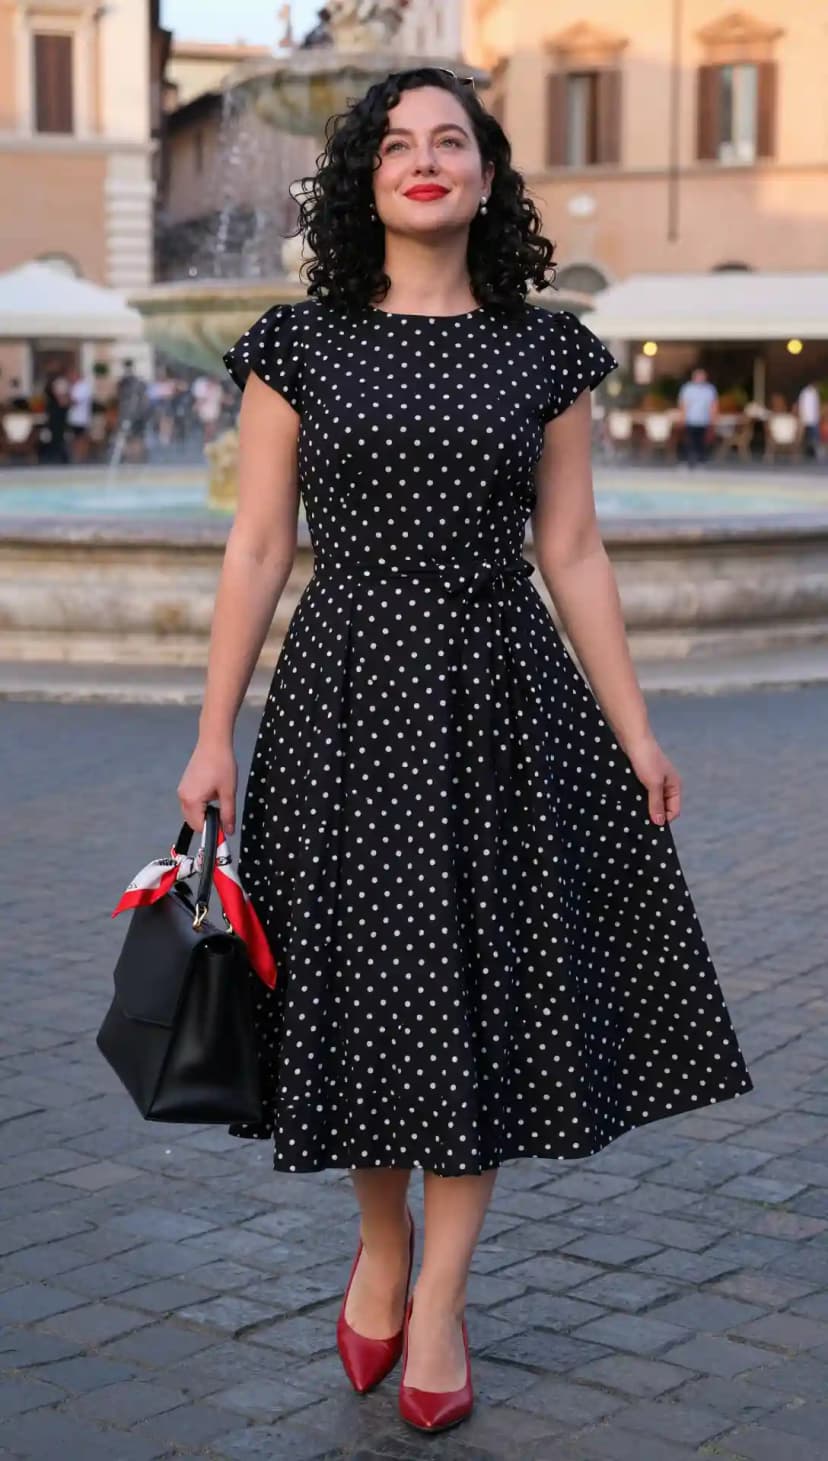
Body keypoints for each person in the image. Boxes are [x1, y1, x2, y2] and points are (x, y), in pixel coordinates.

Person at [176, 67, 753, 1435]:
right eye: (397, 144)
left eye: (452, 141)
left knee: (489, 994)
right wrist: (210, 736)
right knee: (361, 984)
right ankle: (381, 1247)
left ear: (489, 178)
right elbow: (257, 547)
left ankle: (439, 1299)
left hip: (503, 699)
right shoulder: (296, 345)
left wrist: (638, 728)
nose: (424, 161)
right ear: (363, 181)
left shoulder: (545, 351)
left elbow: (576, 550)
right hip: (342, 697)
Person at [678, 366, 719, 467]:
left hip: (704, 419)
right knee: (689, 441)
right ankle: (688, 460)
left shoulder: (710, 389)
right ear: (694, 377)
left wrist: (713, 418)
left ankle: (701, 460)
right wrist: (682, 417)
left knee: (702, 441)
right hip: (690, 419)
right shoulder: (688, 388)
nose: (700, 378)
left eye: (702, 376)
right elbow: (683, 404)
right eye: (698, 376)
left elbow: (713, 404)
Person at [67, 366, 93, 462]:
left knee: (80, 438)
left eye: (72, 375)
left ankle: (80, 457)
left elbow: (74, 401)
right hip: (73, 418)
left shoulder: (83, 387)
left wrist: (64, 398)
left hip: (80, 418)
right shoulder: (73, 386)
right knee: (75, 438)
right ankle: (77, 456)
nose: (70, 377)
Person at [797, 380, 821, 460]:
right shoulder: (805, 392)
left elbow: (816, 406)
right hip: (805, 418)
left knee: (814, 436)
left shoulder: (815, 393)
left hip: (813, 419)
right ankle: (800, 452)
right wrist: (802, 416)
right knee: (803, 436)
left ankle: (812, 452)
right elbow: (802, 405)